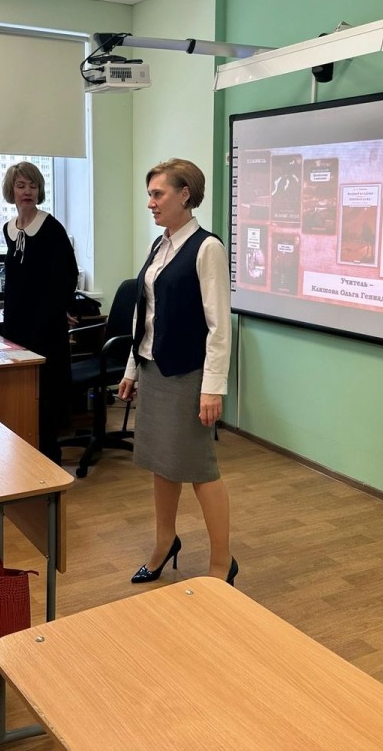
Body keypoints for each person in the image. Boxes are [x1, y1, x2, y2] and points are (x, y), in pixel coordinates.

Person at [119, 159, 237, 585]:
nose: (151, 203)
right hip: (153, 369)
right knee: (161, 463)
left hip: (188, 376)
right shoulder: (160, 245)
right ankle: (165, 541)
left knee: (200, 470)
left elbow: (219, 326)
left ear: (185, 194)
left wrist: (212, 388)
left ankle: (222, 562)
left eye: (158, 194)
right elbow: (145, 314)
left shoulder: (207, 248)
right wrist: (132, 368)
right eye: (149, 195)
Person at [0, 162, 78, 463]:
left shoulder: (51, 227)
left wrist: (58, 309)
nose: (27, 191)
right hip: (16, 324)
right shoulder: (9, 229)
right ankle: (24, 455)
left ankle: (48, 457)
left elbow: (67, 275)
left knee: (45, 392)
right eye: (21, 185)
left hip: (45, 328)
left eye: (33, 186)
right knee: (20, 390)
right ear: (11, 190)